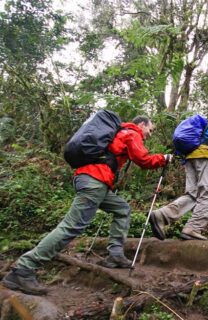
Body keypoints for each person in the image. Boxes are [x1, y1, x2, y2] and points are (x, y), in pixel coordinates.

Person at [1, 115, 173, 295]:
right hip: (94, 181)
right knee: (71, 227)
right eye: (150, 129)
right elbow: (143, 159)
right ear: (141, 124)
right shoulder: (132, 132)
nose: (150, 134)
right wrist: (163, 158)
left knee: (122, 209)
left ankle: (115, 254)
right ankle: (24, 268)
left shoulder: (118, 133)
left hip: (93, 180)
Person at [150, 116, 208, 241]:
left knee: (192, 195)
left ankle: (161, 216)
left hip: (191, 158)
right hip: (205, 157)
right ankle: (193, 228)